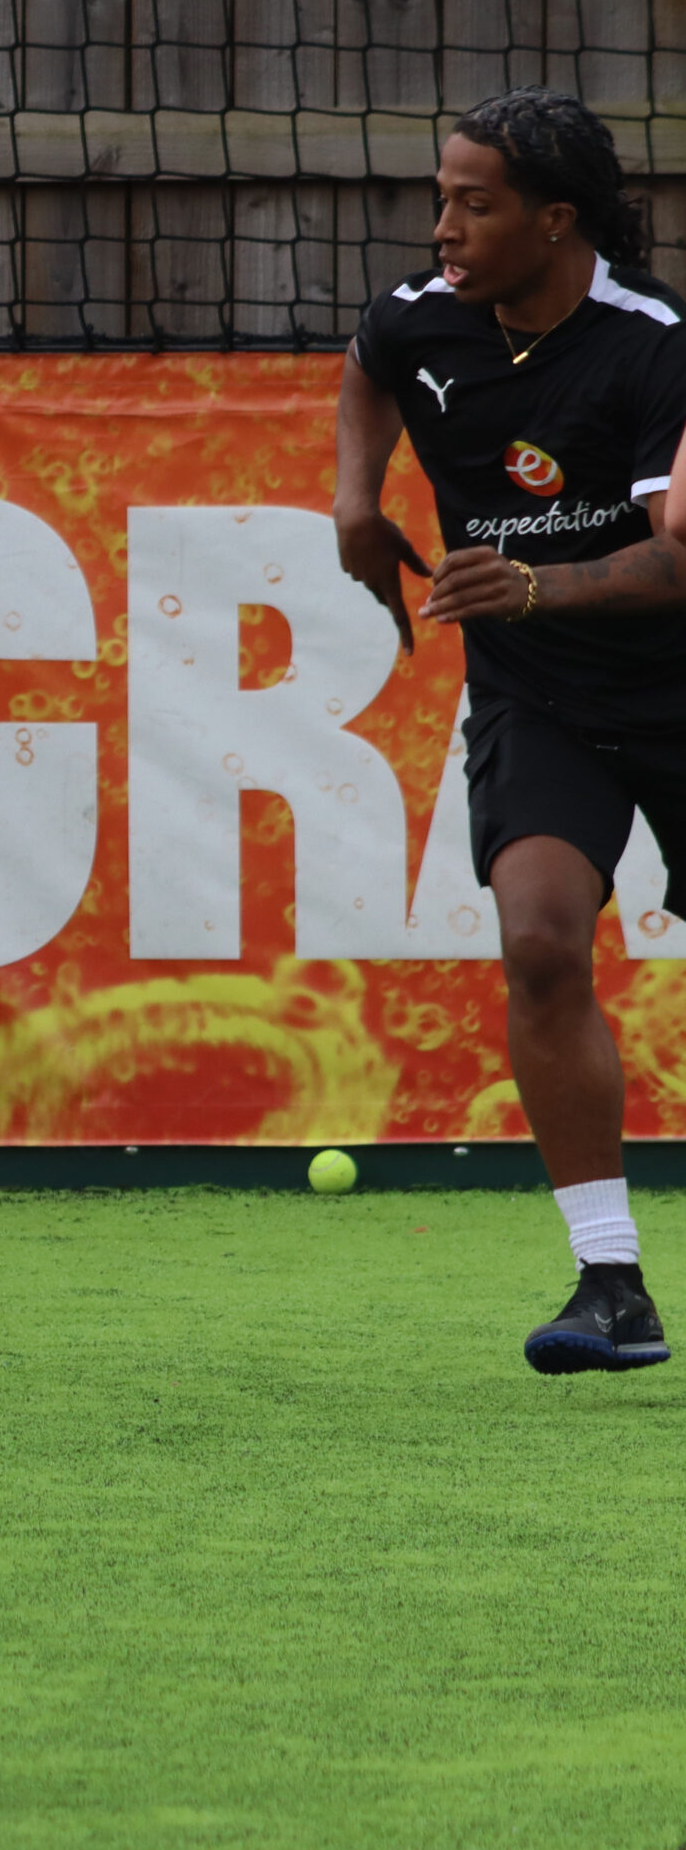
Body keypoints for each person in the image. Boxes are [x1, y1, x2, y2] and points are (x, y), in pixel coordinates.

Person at [335, 84, 686, 1375]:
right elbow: (370, 366)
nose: (443, 230)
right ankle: (611, 1283)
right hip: (543, 698)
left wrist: (538, 585)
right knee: (539, 943)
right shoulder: (423, 315)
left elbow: (680, 557)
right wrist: (355, 504)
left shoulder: (655, 344)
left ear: (555, 220)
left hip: (676, 683)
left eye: (472, 206)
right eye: (441, 201)